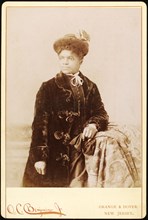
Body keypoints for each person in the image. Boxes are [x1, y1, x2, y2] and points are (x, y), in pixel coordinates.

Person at [23, 30, 109, 187]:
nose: (65, 62)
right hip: (52, 154)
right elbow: (40, 124)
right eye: (62, 58)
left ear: (81, 60)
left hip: (79, 154)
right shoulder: (48, 87)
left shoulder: (90, 87)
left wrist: (93, 124)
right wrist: (40, 157)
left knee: (77, 196)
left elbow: (101, 113)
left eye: (70, 58)